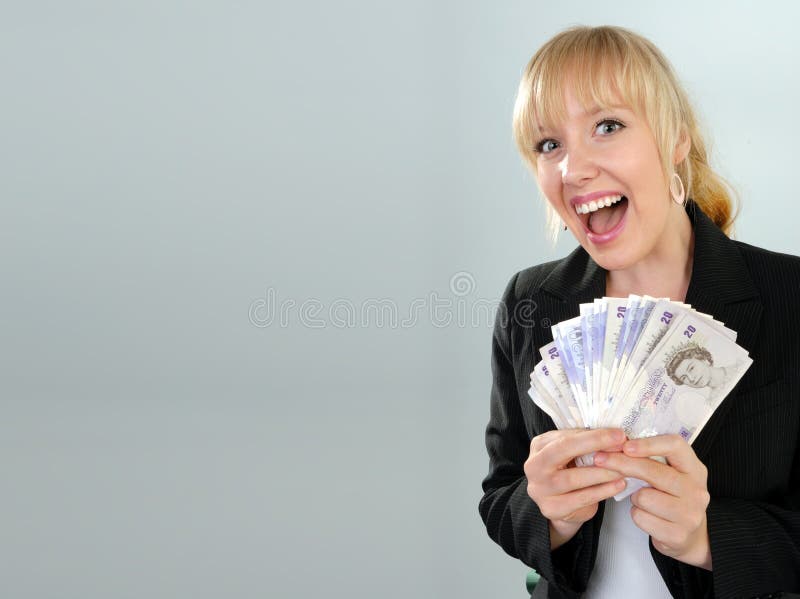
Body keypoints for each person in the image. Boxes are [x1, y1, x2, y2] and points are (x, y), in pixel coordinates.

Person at [478, 25, 800, 598]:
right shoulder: (528, 303)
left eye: (608, 126)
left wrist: (707, 536)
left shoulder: (790, 296)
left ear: (675, 138)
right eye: (548, 144)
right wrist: (547, 515)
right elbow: (501, 496)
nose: (573, 169)